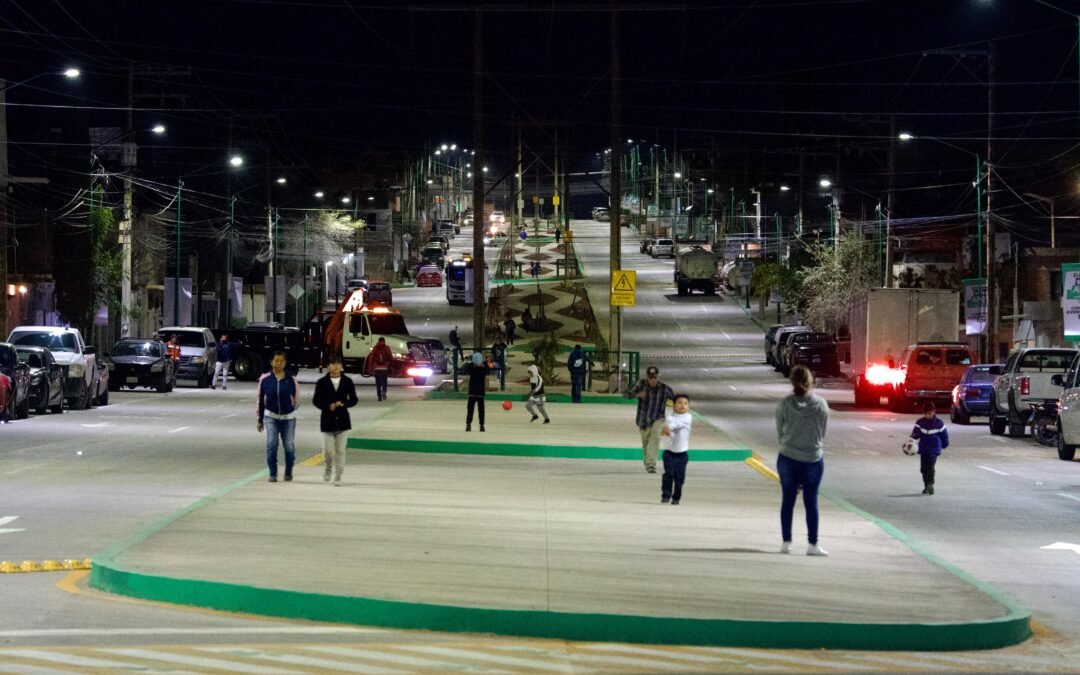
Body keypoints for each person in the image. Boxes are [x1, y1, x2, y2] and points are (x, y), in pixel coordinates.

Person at [775, 365, 830, 556]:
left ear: (792, 382)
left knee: (788, 500)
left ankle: (786, 542)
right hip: (812, 459)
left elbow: (780, 430)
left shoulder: (784, 405)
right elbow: (822, 432)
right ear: (810, 381)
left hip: (788, 458)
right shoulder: (821, 405)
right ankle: (812, 544)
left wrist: (789, 443)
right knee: (811, 501)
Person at [312, 354, 358, 486]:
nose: (336, 366)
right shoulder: (322, 382)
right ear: (327, 366)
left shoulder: (347, 381)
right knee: (327, 450)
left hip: (343, 421)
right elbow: (316, 400)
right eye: (332, 363)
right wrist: (327, 406)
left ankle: (338, 476)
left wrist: (345, 404)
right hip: (327, 420)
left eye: (338, 363)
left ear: (341, 366)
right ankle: (328, 467)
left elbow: (354, 399)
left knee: (340, 450)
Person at [256, 351, 300, 482]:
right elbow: (260, 400)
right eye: (276, 361)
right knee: (271, 444)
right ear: (271, 362)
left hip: (288, 418)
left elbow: (297, 399)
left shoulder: (291, 379)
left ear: (285, 363)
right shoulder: (265, 379)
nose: (278, 363)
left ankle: (288, 471)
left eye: (281, 361)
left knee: (289, 446)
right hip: (271, 417)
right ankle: (273, 473)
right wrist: (260, 419)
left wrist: (290, 409)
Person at [624, 366, 676, 473]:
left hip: (658, 419)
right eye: (650, 377)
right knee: (646, 443)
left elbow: (675, 399)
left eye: (654, 377)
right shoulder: (640, 384)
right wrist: (637, 394)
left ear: (657, 377)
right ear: (647, 377)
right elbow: (626, 394)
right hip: (643, 420)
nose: (652, 380)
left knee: (655, 437)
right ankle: (648, 462)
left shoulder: (664, 388)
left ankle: (651, 464)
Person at [910, 401, 949, 495]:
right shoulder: (920, 422)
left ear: (934, 412)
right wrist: (911, 442)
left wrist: (944, 445)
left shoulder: (939, 423)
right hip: (923, 449)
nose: (928, 415)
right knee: (923, 468)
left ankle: (930, 484)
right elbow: (915, 434)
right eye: (926, 413)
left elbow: (944, 436)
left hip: (934, 449)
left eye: (930, 413)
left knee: (930, 466)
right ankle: (926, 485)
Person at [660, 394, 692, 505]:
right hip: (669, 452)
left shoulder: (688, 417)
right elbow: (670, 432)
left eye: (685, 403)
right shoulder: (669, 418)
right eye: (679, 403)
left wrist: (668, 429)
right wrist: (667, 431)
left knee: (679, 478)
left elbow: (677, 425)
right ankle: (666, 495)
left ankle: (676, 498)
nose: (682, 405)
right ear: (673, 406)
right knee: (668, 474)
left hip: (682, 454)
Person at [463, 352, 491, 432]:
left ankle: (468, 424)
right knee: (481, 410)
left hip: (472, 392)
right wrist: (485, 362)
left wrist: (473, 362)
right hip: (480, 393)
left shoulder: (471, 368)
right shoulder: (483, 369)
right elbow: (489, 368)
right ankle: (481, 425)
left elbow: (465, 368)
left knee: (470, 409)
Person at [367, 337, 393, 401]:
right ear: (384, 341)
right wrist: (390, 366)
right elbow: (390, 358)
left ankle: (379, 396)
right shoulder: (387, 348)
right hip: (385, 368)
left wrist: (370, 369)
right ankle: (384, 391)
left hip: (377, 369)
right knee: (384, 381)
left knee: (378, 382)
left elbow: (371, 359)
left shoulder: (375, 348)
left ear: (378, 341)